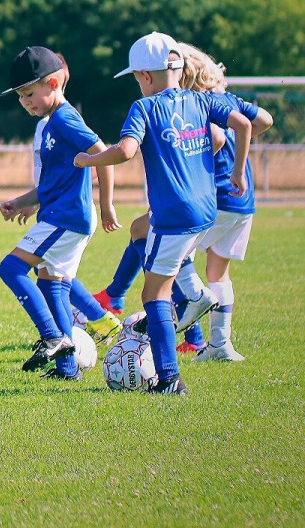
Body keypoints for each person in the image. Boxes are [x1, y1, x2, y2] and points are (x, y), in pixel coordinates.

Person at [75, 32, 252, 395]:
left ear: (143, 76)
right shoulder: (201, 100)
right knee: (142, 232)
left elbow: (125, 151)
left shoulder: (144, 108)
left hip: (174, 215)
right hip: (208, 210)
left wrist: (89, 160)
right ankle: (190, 297)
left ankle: (170, 378)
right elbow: (244, 125)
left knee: (153, 295)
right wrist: (236, 171)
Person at [0, 48, 122, 380]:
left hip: (66, 218)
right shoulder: (51, 124)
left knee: (10, 268)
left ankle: (54, 337)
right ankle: (68, 370)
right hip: (60, 214)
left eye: (30, 93)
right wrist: (21, 202)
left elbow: (104, 154)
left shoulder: (64, 119)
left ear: (53, 83)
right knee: (53, 286)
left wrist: (107, 203)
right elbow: (50, 184)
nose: (26, 102)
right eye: (21, 97)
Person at [178, 44, 273, 361]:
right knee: (218, 271)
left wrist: (215, 164)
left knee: (162, 245)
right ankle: (219, 346)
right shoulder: (230, 100)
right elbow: (263, 120)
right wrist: (241, 157)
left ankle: (190, 301)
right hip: (242, 201)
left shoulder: (198, 103)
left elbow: (217, 138)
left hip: (215, 196)